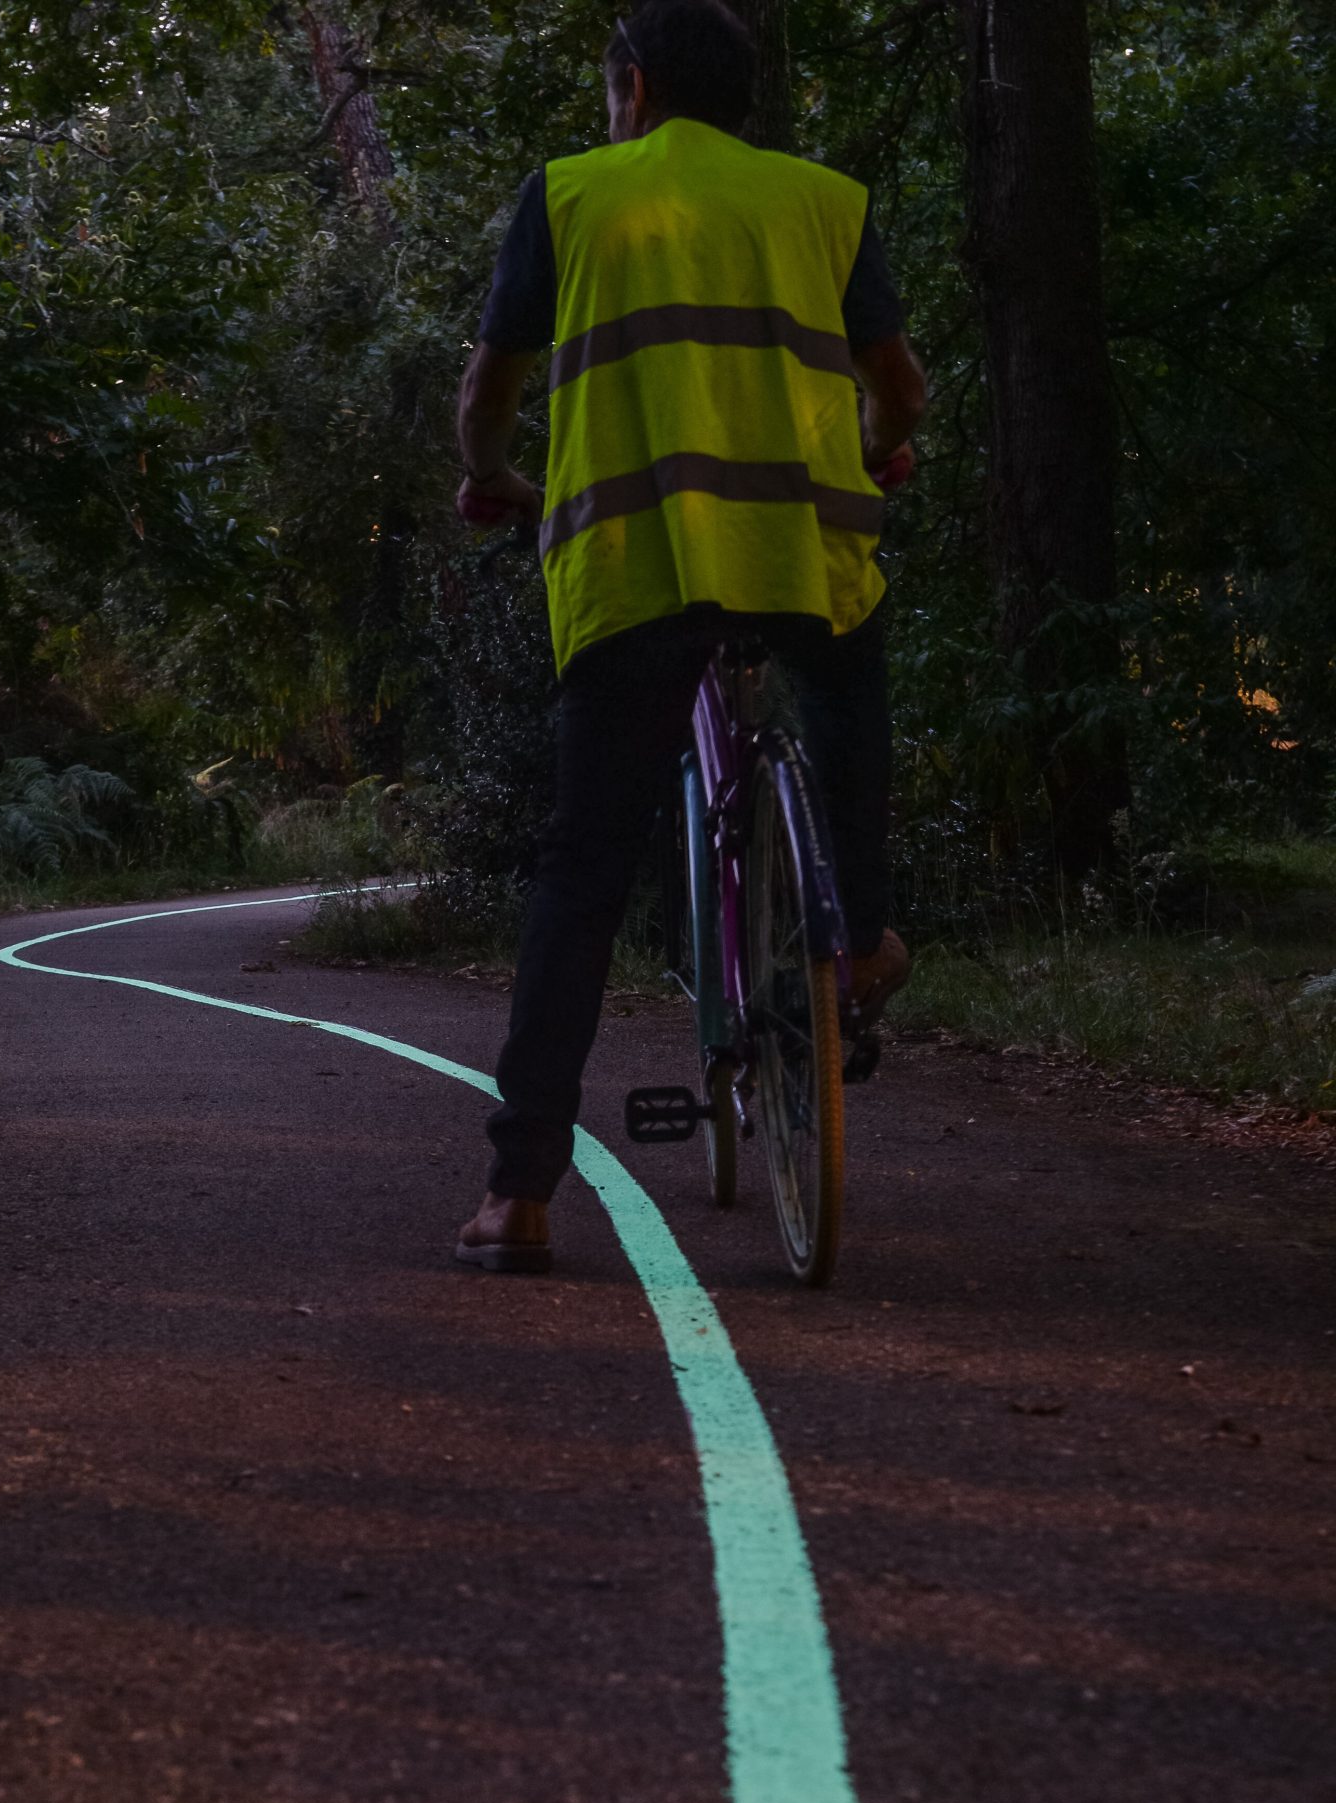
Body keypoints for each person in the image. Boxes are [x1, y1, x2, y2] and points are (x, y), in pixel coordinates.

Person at [453, 0, 928, 1274]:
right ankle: (863, 933)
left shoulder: (571, 196)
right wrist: (884, 451)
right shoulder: (825, 200)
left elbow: (490, 388)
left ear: (638, 88)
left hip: (640, 569)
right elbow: (901, 386)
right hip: (797, 560)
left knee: (584, 867)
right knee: (847, 685)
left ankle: (520, 1194)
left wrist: (493, 473)